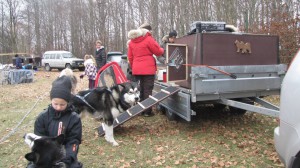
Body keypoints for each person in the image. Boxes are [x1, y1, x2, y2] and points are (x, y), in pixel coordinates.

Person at [31, 76, 83, 168]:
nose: (58, 107)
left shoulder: (74, 119)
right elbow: (38, 140)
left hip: (65, 155)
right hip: (45, 155)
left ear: (68, 102)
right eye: (55, 104)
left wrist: (66, 159)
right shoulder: (42, 118)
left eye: (62, 104)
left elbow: (73, 141)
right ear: (51, 100)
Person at [127, 23, 164, 117]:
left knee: (139, 89)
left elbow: (130, 57)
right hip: (148, 69)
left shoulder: (131, 42)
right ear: (148, 31)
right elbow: (158, 51)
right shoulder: (148, 39)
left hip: (136, 69)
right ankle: (147, 111)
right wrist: (163, 50)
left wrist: (134, 66)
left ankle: (139, 110)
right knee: (147, 89)